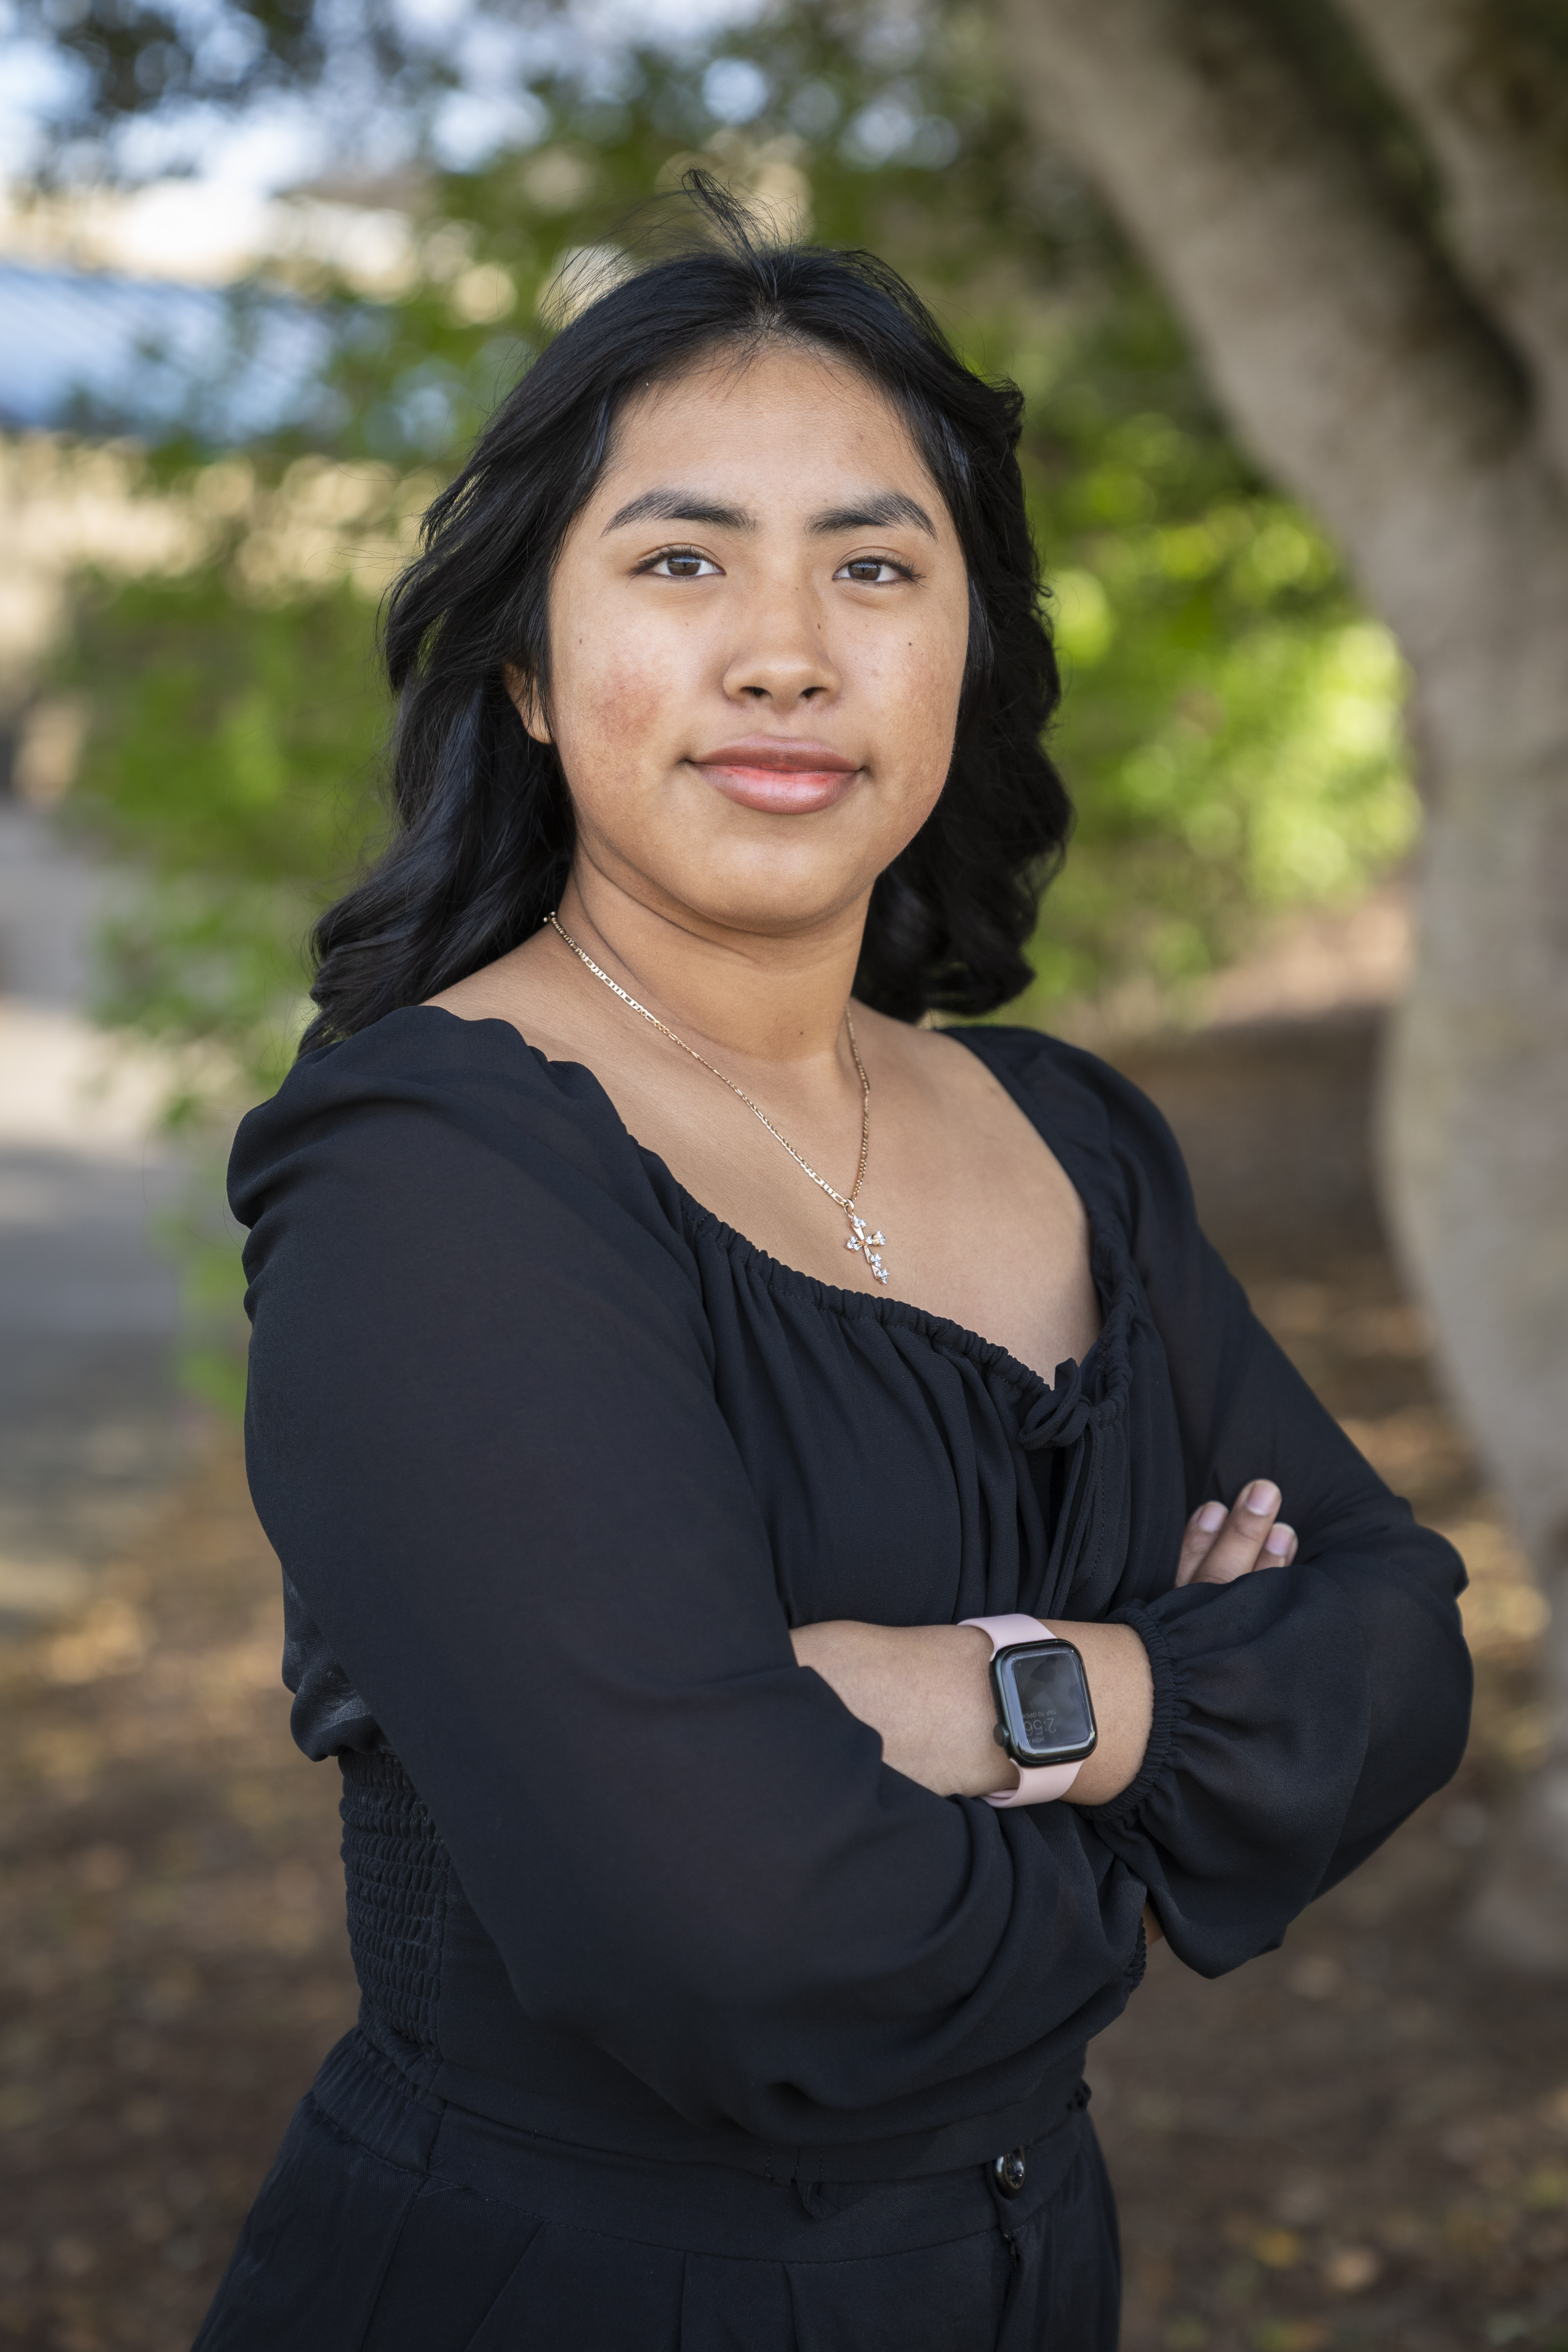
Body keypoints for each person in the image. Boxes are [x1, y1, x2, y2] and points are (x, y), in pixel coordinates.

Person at [194, 186, 1471, 2352]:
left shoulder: (1069, 1132)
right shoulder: (436, 1177)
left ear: (965, 649)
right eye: (682, 559)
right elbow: (741, 1947)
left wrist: (997, 1702)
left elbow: (1407, 1655)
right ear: (524, 661)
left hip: (1030, 2277)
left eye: (876, 566)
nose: (786, 649)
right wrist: (1180, 1752)